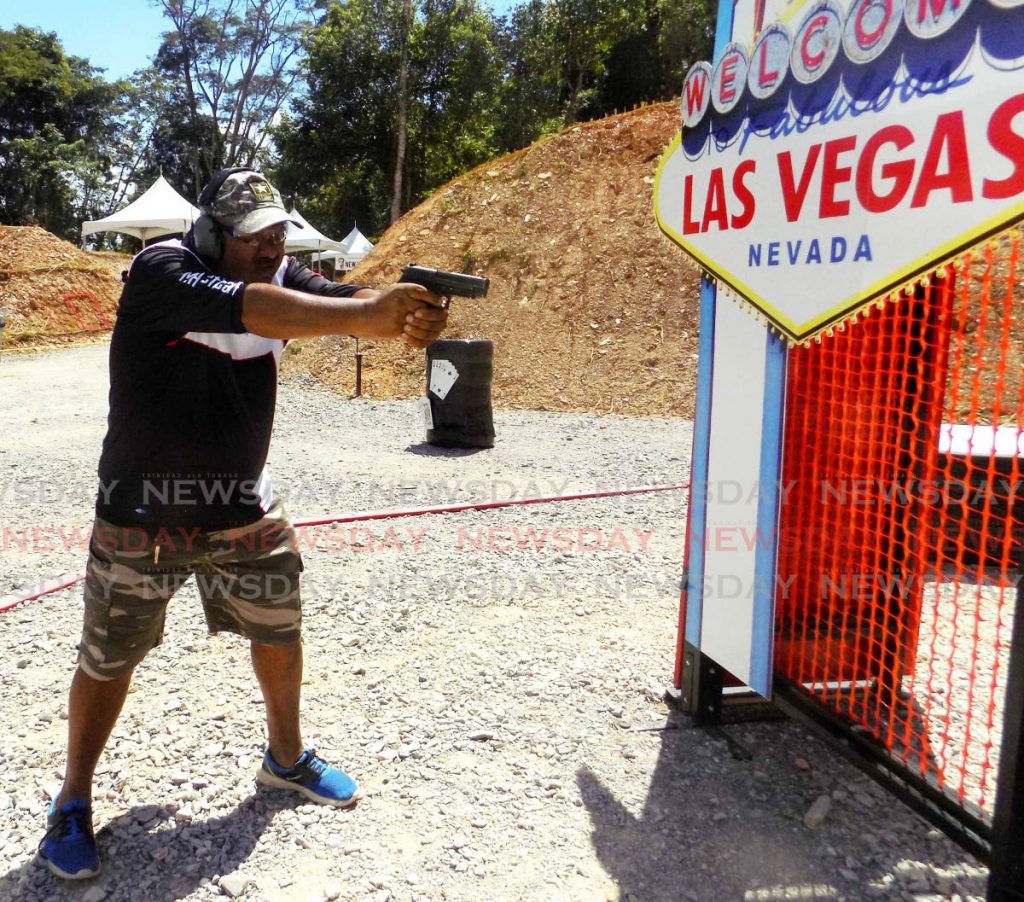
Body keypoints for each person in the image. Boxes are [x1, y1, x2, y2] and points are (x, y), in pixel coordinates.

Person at [39, 168, 447, 880]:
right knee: (108, 658)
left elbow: (337, 297)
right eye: (254, 235)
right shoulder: (161, 270)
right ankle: (72, 800)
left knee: (280, 630)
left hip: (242, 503)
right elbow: (253, 307)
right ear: (210, 234)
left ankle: (285, 758)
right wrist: (365, 315)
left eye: (278, 233)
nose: (271, 248)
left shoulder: (281, 275)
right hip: (144, 513)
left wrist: (401, 314)